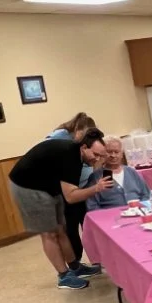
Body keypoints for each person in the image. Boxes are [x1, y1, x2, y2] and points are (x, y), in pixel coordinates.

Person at [8, 128, 110, 290]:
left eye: (101, 156)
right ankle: (63, 276)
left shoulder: (76, 156)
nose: (96, 159)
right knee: (49, 232)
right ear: (84, 148)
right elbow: (71, 196)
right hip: (27, 186)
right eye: (95, 155)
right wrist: (96, 189)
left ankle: (75, 267)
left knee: (60, 229)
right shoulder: (70, 157)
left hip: (47, 185)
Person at [48, 113, 97, 276]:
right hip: (65, 192)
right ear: (77, 129)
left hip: (82, 188)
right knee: (70, 229)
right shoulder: (58, 138)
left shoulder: (82, 141)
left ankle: (92, 261)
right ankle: (74, 265)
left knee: (88, 225)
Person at [84, 136, 152, 210]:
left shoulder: (132, 172)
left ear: (122, 154)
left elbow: (146, 195)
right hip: (111, 218)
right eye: (109, 152)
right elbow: (92, 205)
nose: (113, 155)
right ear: (103, 154)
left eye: (116, 152)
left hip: (138, 213)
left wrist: (142, 209)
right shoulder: (96, 176)